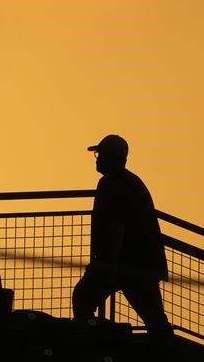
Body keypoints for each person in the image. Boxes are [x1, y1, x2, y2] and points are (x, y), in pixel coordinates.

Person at [72, 134, 174, 344]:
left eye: (100, 154)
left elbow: (116, 228)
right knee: (154, 318)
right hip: (139, 264)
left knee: (83, 298)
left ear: (111, 157)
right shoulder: (129, 182)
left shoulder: (112, 184)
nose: (97, 159)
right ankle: (166, 354)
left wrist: (105, 265)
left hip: (128, 264)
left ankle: (94, 343)